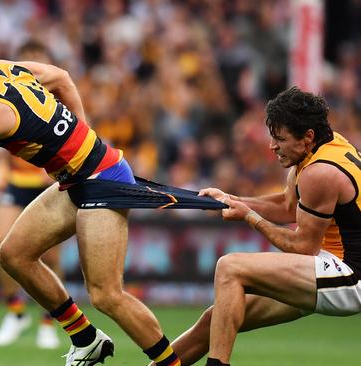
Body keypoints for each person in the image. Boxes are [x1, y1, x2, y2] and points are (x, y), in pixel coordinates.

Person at [0, 12, 222, 366]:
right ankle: (86, 338)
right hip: (77, 179)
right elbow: (61, 78)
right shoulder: (5, 68)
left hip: (101, 181)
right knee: (13, 254)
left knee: (106, 295)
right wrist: (83, 132)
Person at [154, 87, 361, 366]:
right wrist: (231, 200)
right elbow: (289, 207)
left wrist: (249, 216)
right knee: (216, 320)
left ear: (307, 137)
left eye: (280, 139)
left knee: (230, 267)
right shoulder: (327, 146)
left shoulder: (320, 172)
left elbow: (303, 247)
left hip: (349, 276)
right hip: (329, 264)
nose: (272, 146)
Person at [0, 39, 61, 350]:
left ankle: (50, 320)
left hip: (49, 184)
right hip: (16, 182)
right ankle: (17, 312)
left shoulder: (59, 98)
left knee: (51, 256)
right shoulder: (11, 94)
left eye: (38, 59)